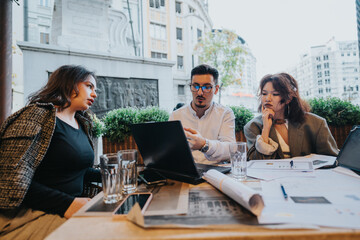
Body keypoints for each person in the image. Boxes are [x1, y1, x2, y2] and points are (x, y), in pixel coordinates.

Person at [0, 65, 101, 239]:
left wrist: (128, 175)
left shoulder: (81, 123)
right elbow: (8, 180)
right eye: (89, 86)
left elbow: (78, 171)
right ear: (70, 84)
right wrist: (67, 204)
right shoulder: (36, 116)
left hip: (67, 208)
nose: (95, 94)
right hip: (29, 214)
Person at [244, 72, 338, 160]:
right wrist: (266, 129)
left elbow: (331, 159)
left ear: (288, 98)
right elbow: (256, 163)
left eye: (275, 94)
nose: (267, 99)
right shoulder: (252, 127)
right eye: (264, 93)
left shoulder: (316, 123)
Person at [169, 64, 236, 163]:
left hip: (216, 173)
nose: (200, 92)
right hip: (186, 172)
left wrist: (204, 144)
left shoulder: (225, 114)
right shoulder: (176, 115)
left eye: (207, 87)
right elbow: (170, 151)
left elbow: (231, 149)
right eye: (195, 86)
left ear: (216, 89)